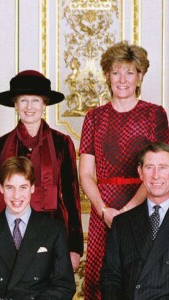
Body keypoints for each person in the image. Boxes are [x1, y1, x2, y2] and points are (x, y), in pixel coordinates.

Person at [79, 40, 169, 299]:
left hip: (142, 205)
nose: (122, 79)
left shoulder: (154, 114)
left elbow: (159, 169)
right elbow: (85, 173)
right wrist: (105, 211)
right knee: (100, 278)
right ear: (107, 75)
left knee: (139, 273)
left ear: (140, 76)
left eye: (130, 72)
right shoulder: (94, 117)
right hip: (102, 209)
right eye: (116, 71)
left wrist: (126, 213)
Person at [0, 70, 83, 271]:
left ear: (44, 104)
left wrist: (74, 248)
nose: (29, 107)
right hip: (11, 230)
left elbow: (72, 196)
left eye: (35, 101)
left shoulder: (62, 143)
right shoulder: (1, 144)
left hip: (53, 230)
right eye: (23, 101)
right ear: (15, 105)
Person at [0, 156, 76, 299]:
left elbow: (64, 286)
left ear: (32, 187)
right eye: (10, 187)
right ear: (1, 188)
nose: (16, 196)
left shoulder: (54, 230)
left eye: (23, 187)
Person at [101, 142, 169, 299]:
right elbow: (110, 278)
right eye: (149, 167)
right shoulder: (122, 223)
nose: (156, 175)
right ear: (140, 172)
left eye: (163, 167)